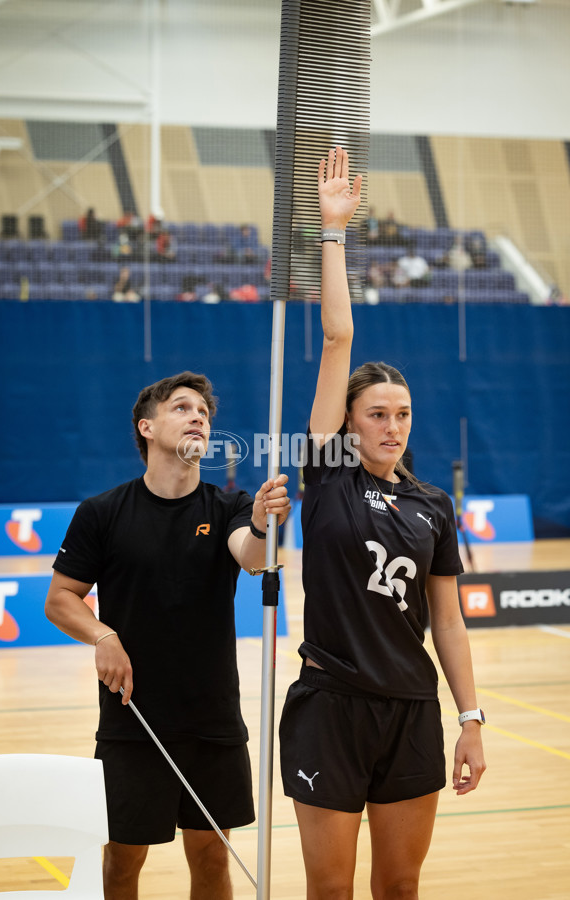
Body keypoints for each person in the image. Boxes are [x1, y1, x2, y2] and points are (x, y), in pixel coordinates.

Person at [279, 147, 486, 900]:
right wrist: (333, 233)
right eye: (377, 414)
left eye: (402, 414)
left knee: (398, 886)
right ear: (350, 424)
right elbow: (339, 340)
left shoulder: (433, 504)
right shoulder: (328, 474)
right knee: (328, 891)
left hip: (410, 710)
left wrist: (471, 718)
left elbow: (450, 623)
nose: (391, 426)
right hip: (329, 710)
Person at [45, 372, 291, 900]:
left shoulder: (227, 507)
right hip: (132, 719)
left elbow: (250, 557)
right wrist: (103, 635)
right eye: (182, 407)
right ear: (148, 427)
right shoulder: (103, 513)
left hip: (212, 718)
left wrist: (263, 524)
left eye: (204, 411)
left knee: (210, 860)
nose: (198, 416)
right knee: (123, 862)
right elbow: (61, 599)